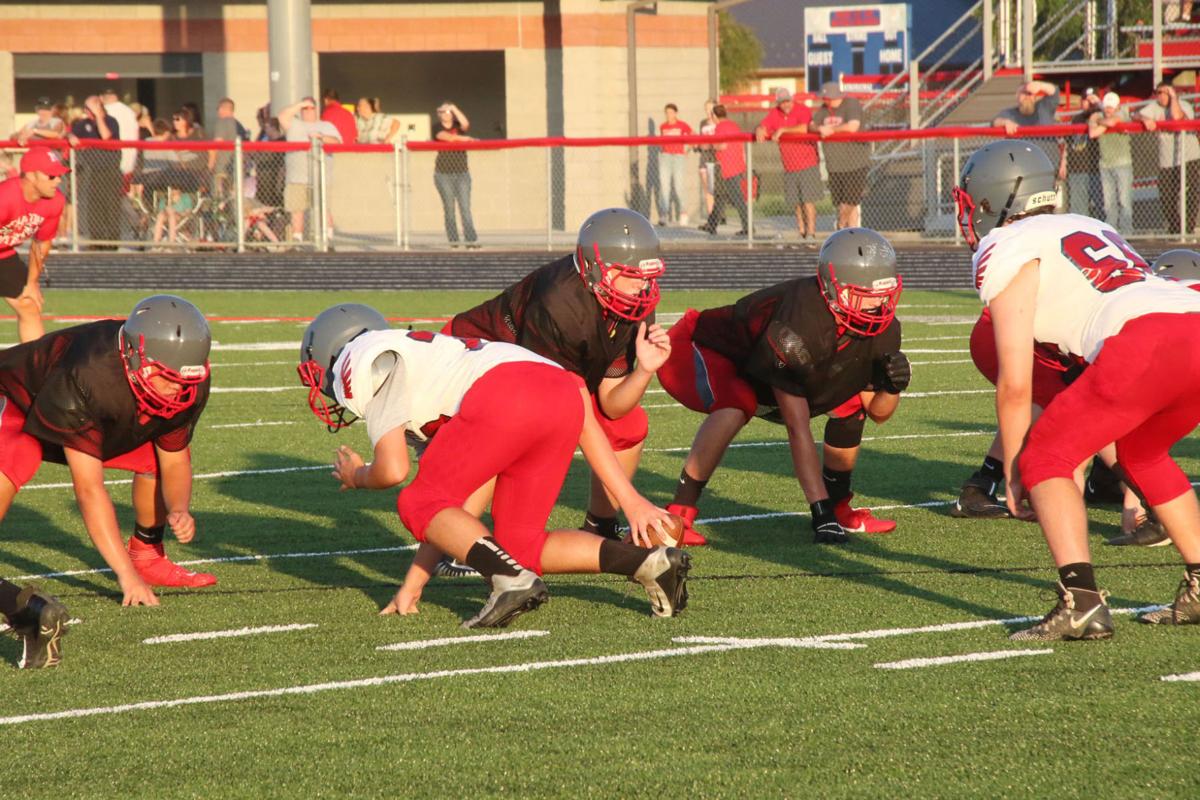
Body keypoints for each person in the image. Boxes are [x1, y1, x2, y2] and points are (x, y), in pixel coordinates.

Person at [296, 304, 689, 628]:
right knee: (519, 545)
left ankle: (511, 582)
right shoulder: (427, 367)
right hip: (558, 396)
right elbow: (451, 512)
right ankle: (650, 564)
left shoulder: (361, 357)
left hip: (504, 396)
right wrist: (412, 586)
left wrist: (358, 476)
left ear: (331, 354)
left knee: (416, 500)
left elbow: (394, 471)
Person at [953, 139, 1200, 640]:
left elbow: (1015, 381)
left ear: (987, 199)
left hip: (1142, 338)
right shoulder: (1089, 223)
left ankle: (1081, 602)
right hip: (1191, 325)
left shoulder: (1004, 244)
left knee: (1047, 458)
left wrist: (1019, 466)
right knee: (1142, 453)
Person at [0, 295, 216, 668]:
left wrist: (179, 507)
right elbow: (89, 489)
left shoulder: (185, 383)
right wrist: (125, 578)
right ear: (133, 357)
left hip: (91, 409)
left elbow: (175, 456)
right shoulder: (89, 374)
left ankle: (148, 552)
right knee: (19, 454)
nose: (175, 390)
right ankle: (132, 566)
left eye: (183, 380)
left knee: (154, 459)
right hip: (19, 400)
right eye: (165, 377)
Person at [657, 228, 908, 546]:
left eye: (882, 296)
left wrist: (892, 387)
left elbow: (878, 412)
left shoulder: (884, 329)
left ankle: (840, 506)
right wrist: (820, 515)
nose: (876, 308)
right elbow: (796, 426)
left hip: (760, 367)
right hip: (699, 349)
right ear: (834, 290)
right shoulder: (798, 325)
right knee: (738, 403)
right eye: (865, 296)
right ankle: (679, 513)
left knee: (850, 402)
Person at [445, 208, 674, 546]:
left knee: (628, 426)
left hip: (531, 372)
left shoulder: (632, 299)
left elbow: (613, 405)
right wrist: (633, 502)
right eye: (630, 274)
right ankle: (456, 540)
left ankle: (600, 525)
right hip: (472, 357)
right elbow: (579, 417)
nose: (642, 286)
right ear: (595, 271)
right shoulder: (559, 302)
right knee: (513, 432)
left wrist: (643, 371)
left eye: (646, 276)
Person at [0, 148, 67, 342]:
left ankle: (36, 369)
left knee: (29, 304)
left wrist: (31, 283)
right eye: (51, 176)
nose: (58, 181)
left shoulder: (55, 201)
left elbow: (41, 244)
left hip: (3, 254)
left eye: (59, 175)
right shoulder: (5, 198)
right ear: (30, 175)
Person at [755, 87, 821, 245]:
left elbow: (804, 128)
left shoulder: (802, 109)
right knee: (796, 203)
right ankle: (802, 232)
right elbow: (764, 125)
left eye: (788, 101)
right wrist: (759, 129)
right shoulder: (775, 113)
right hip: (789, 165)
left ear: (792, 99)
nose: (786, 104)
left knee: (808, 200)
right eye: (782, 102)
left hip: (807, 162)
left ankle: (811, 234)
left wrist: (783, 129)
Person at [278, 97, 341, 245]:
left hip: (320, 177)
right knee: (296, 210)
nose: (308, 111)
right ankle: (297, 240)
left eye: (311, 108)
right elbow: (282, 116)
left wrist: (321, 137)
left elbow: (337, 142)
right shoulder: (295, 124)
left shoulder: (326, 126)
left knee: (323, 208)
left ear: (316, 109)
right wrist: (300, 104)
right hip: (296, 178)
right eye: (305, 109)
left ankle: (328, 240)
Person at [1139, 82, 1200, 235]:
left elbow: (1177, 117)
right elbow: (1136, 113)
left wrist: (1173, 98)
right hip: (1167, 161)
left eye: (1164, 92)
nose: (1160, 95)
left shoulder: (1183, 105)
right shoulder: (1154, 107)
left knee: (1191, 192)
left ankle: (1188, 228)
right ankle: (1175, 227)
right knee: (1166, 195)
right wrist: (1144, 119)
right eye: (1158, 92)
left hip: (1189, 157)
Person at [811, 81, 871, 230]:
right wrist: (818, 128)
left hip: (855, 163)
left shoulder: (850, 104)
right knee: (841, 202)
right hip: (834, 165)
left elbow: (853, 126)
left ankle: (841, 225)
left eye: (826, 98)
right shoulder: (824, 109)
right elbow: (811, 124)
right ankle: (851, 234)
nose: (823, 101)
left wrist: (832, 130)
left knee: (850, 201)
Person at [992, 80, 1066, 195]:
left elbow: (1055, 92)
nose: (1027, 97)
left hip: (1048, 168)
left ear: (1035, 96)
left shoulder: (1043, 108)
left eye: (1030, 93)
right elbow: (994, 122)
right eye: (1023, 93)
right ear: (1017, 96)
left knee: (1051, 206)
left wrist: (1040, 85)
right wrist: (1005, 122)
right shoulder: (1010, 114)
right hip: (1023, 173)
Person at [67, 95, 120, 245]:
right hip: (93, 169)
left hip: (111, 169)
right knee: (94, 206)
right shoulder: (83, 123)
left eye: (88, 108)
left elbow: (106, 137)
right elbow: (70, 132)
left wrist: (98, 117)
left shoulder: (111, 121)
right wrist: (71, 135)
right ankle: (96, 241)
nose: (85, 111)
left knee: (111, 205)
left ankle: (112, 241)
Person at [433, 102, 478, 248]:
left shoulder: (459, 126)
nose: (444, 114)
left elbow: (465, 124)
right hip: (443, 173)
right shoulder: (436, 127)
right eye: (442, 112)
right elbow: (447, 137)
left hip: (462, 172)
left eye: (447, 112)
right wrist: (468, 139)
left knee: (465, 207)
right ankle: (454, 241)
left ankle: (471, 241)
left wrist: (454, 108)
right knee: (449, 208)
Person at [699, 104, 748, 236]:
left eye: (712, 115)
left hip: (726, 167)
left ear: (715, 116)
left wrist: (710, 145)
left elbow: (722, 145)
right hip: (736, 165)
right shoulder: (734, 125)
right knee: (720, 197)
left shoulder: (720, 127)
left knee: (736, 198)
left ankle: (748, 227)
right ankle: (712, 224)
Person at [1089, 92, 1134, 234]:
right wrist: (1101, 122)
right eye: (1107, 107)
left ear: (1117, 107)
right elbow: (1092, 133)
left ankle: (1127, 232)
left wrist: (1100, 122)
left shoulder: (1123, 115)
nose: (1108, 110)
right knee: (1109, 203)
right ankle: (1111, 232)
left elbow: (1112, 122)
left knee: (1124, 200)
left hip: (1122, 163)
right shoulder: (1098, 115)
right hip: (1105, 164)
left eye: (1111, 107)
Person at [1066, 88, 1102, 218]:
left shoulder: (1101, 115)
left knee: (1101, 207)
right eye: (1086, 100)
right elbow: (1068, 143)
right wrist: (1064, 164)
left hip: (1096, 169)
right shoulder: (1076, 118)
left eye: (1091, 99)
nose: (1088, 102)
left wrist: (1098, 105)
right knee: (1078, 210)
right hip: (1077, 168)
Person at [655, 103, 692, 226]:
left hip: (678, 157)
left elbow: (692, 135)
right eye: (667, 113)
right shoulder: (663, 126)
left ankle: (683, 213)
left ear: (675, 113)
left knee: (678, 186)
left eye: (671, 112)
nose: (669, 115)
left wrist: (687, 150)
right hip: (666, 156)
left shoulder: (682, 125)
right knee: (664, 186)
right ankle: (664, 214)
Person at [695, 100, 718, 221]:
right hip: (704, 157)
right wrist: (698, 145)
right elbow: (701, 139)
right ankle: (711, 214)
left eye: (711, 109)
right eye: (706, 109)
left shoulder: (718, 122)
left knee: (715, 187)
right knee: (707, 188)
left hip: (715, 158)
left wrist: (710, 144)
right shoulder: (703, 123)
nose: (708, 112)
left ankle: (718, 213)